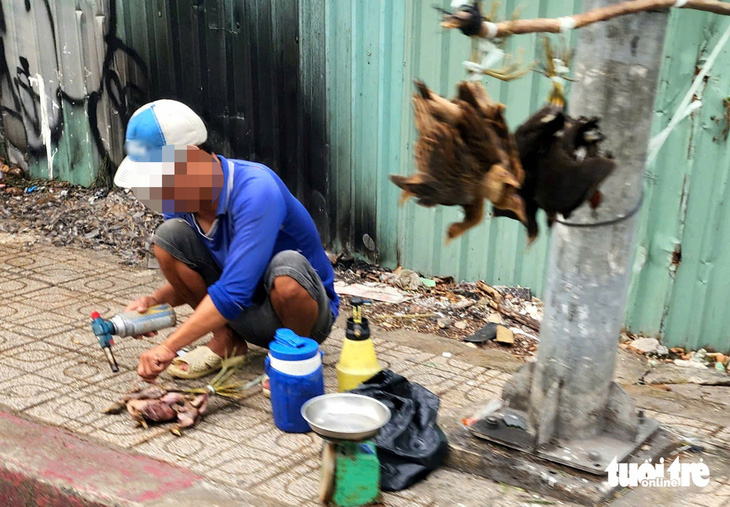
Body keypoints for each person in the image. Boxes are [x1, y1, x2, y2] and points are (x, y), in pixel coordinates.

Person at [114, 99, 339, 384]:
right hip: (241, 310)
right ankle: (226, 341)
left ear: (192, 158)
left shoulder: (256, 190)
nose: (158, 186)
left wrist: (169, 346)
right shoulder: (181, 198)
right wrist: (155, 302)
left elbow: (233, 292)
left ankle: (294, 359)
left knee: (288, 269)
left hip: (302, 312)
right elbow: (204, 277)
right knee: (169, 238)